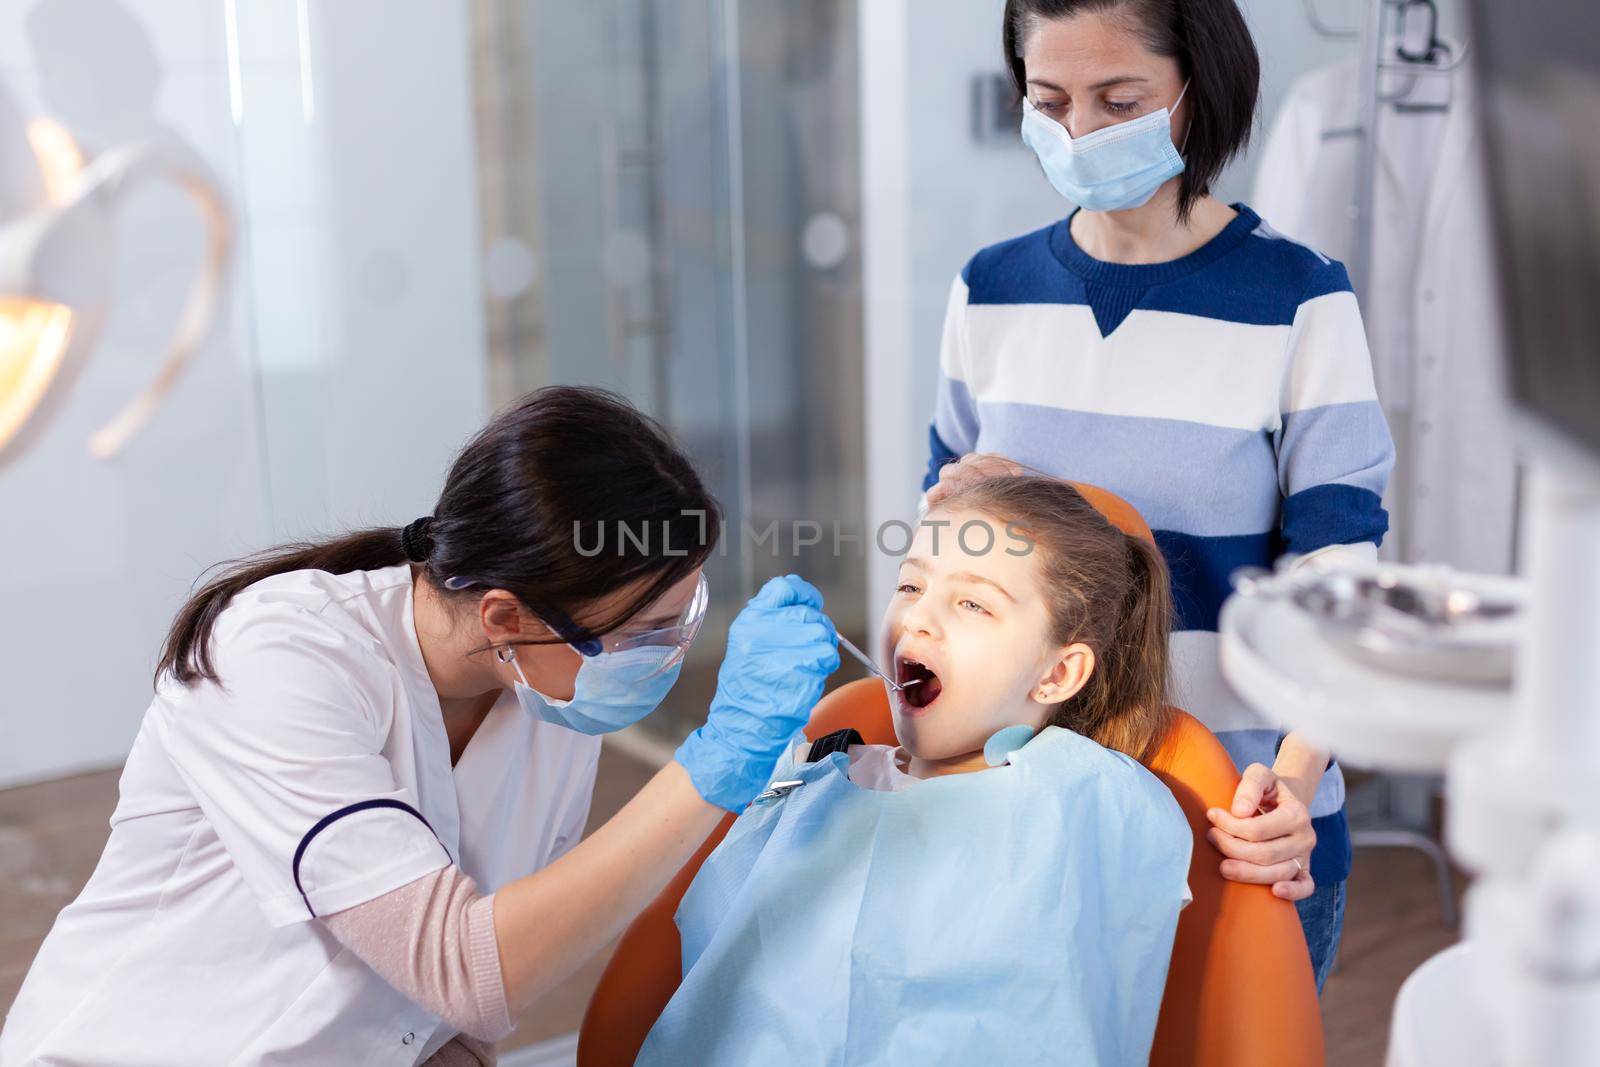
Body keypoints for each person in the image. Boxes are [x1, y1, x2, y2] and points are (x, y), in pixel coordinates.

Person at [0, 387, 840, 1066]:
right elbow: (465, 967)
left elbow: (456, 1020)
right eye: (642, 631)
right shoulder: (280, 656)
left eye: (682, 611)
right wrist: (713, 762)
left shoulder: (554, 699)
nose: (669, 651)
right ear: (506, 616)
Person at [923, 0, 1395, 991]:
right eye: (1047, 100)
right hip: (1035, 810)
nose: (1079, 133)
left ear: (1195, 91)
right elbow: (946, 556)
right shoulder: (989, 290)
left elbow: (1341, 581)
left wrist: (1295, 785)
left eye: (1118, 100)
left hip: (1236, 811)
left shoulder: (1297, 299)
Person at [637, 477, 1193, 1065]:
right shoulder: (811, 779)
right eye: (910, 584)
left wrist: (1260, 819)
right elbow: (708, 946)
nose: (919, 619)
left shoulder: (1090, 796)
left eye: (974, 602)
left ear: (1057, 674)